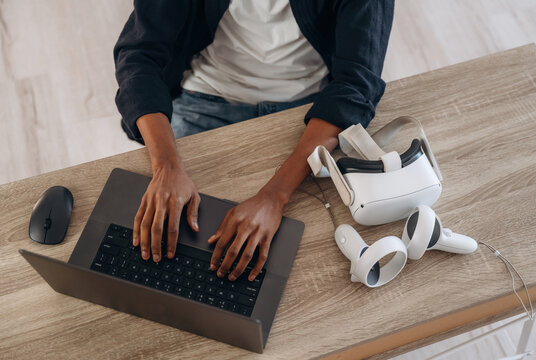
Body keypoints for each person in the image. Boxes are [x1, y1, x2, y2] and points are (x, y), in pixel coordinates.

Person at [114, 0, 394, 283]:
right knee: (162, 251)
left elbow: (356, 83)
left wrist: (275, 195)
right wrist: (167, 165)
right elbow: (139, 56)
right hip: (204, 96)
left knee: (307, 257)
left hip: (311, 111)